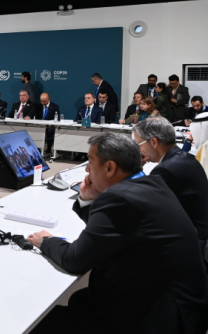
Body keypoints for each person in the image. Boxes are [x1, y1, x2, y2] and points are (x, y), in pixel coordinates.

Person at [26, 133, 208, 334]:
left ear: (110, 167)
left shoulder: (121, 200)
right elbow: (109, 233)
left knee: (38, 323)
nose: (86, 169)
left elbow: (74, 260)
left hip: (158, 318)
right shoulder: (149, 185)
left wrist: (46, 241)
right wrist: (87, 199)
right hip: (179, 303)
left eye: (91, 161)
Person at [134, 117, 208, 249]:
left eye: (139, 145)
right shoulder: (184, 158)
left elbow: (145, 207)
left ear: (154, 142)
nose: (139, 150)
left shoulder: (166, 170)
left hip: (189, 243)